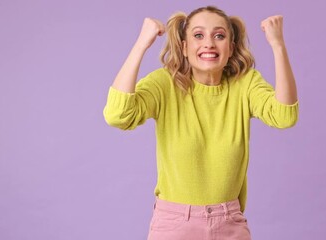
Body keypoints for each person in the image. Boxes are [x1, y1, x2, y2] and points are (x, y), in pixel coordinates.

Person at [103, 5, 298, 240]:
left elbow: (284, 116)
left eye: (219, 35)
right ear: (184, 48)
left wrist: (278, 46)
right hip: (174, 225)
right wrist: (141, 43)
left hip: (230, 223)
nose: (209, 43)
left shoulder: (245, 84)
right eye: (198, 35)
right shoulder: (165, 84)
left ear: (231, 47)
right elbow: (117, 114)